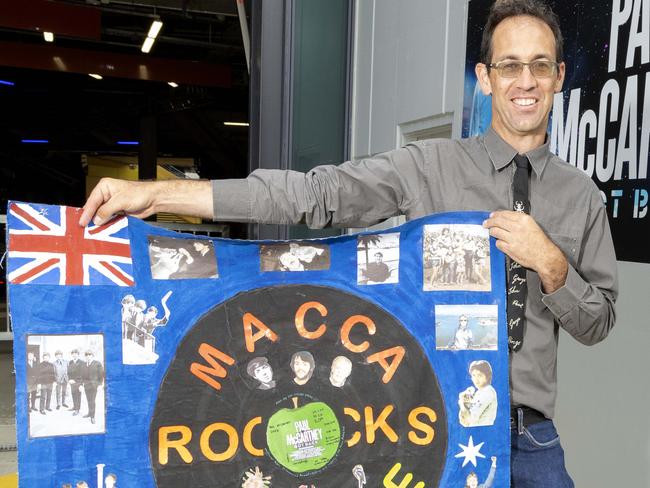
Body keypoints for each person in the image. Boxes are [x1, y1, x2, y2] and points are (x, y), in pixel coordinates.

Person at [79, 1, 617, 484]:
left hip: (531, 441)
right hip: (429, 426)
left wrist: (552, 264)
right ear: (484, 77)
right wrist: (158, 195)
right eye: (510, 65)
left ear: (559, 76)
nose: (526, 80)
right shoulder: (427, 168)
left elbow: (597, 323)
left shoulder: (582, 198)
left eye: (540, 65)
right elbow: (314, 195)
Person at [459, 360, 498, 427]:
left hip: (484, 432)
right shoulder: (479, 392)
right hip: (476, 432)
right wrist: (465, 402)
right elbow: (464, 422)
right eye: (473, 375)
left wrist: (462, 403)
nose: (476, 379)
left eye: (479, 375)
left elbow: (471, 420)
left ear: (487, 376)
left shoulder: (488, 391)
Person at [82, 350, 104, 424]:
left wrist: (100, 385)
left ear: (92, 356)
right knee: (88, 400)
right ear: (85, 356)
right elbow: (82, 376)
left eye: (90, 355)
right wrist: (82, 384)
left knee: (92, 401)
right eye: (87, 355)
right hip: (86, 386)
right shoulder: (84, 364)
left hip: (94, 386)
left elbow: (101, 375)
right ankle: (89, 413)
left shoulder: (97, 363)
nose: (88, 356)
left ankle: (93, 416)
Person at [67, 349, 84, 416]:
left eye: (76, 353)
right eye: (73, 353)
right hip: (72, 382)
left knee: (78, 396)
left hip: (78, 382)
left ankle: (77, 409)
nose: (74, 355)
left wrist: (80, 384)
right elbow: (68, 372)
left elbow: (82, 374)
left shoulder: (81, 362)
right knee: (73, 394)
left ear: (78, 354)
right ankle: (74, 406)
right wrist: (69, 379)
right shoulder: (70, 362)